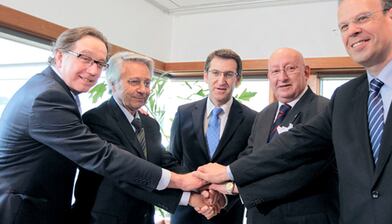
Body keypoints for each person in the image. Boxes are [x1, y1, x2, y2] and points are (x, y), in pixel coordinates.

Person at [196, 0, 392, 223]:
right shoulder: (346, 97)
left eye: (362, 18)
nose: (353, 30)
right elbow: (294, 144)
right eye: (344, 26)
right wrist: (228, 173)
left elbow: (304, 170)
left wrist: (232, 184)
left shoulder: (324, 105)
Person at [0, 27, 205, 224]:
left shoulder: (55, 90)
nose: (93, 70)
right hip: (25, 211)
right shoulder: (49, 97)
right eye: (85, 58)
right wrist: (181, 184)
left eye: (99, 63)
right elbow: (104, 157)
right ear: (60, 56)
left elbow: (161, 158)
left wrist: (200, 183)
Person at [71, 51, 224, 224]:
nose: (143, 90)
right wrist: (188, 198)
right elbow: (126, 176)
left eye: (147, 82)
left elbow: (166, 162)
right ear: (113, 84)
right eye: (134, 82)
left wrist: (204, 186)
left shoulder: (149, 124)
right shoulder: (96, 119)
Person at [210, 48, 339, 224]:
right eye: (275, 71)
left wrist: (232, 187)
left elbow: (303, 172)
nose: (282, 77)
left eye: (290, 69)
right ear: (268, 76)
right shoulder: (264, 115)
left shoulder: (324, 111)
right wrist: (221, 194)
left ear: (306, 72)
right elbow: (250, 158)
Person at [169, 49, 257, 224]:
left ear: (238, 79)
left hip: (227, 214)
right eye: (215, 73)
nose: (221, 81)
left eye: (229, 74)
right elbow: (173, 161)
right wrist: (197, 196)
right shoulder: (184, 113)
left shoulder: (253, 119)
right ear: (205, 76)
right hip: (186, 213)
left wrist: (221, 199)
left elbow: (247, 168)